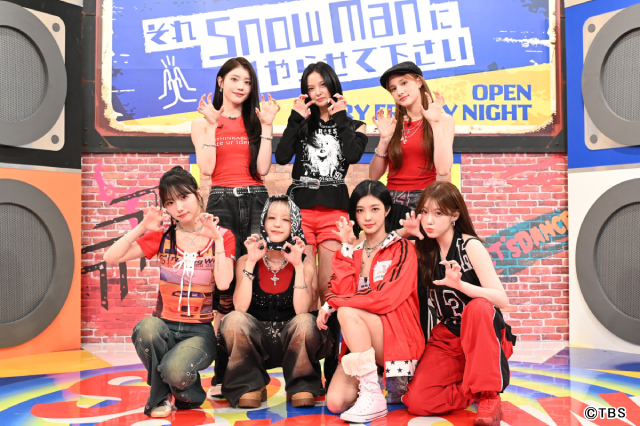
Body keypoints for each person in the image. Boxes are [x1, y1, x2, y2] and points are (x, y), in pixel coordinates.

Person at [103, 166, 235, 418]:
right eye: (170, 202)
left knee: (175, 371)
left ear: (198, 194)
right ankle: (163, 395)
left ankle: (189, 394)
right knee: (146, 328)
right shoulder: (163, 236)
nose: (179, 207)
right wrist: (143, 226)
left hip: (199, 331)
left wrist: (217, 240)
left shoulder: (223, 236)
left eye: (184, 197)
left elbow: (224, 283)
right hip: (164, 325)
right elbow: (110, 257)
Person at [190, 57, 280, 396]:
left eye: (247, 81)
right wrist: (213, 125)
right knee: (222, 287)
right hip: (221, 201)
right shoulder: (202, 122)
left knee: (252, 278)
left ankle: (250, 367)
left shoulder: (255, 121)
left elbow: (263, 170)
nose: (241, 86)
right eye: (235, 79)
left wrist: (268, 127)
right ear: (220, 81)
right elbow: (207, 168)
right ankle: (223, 370)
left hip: (256, 199)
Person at [275, 62, 367, 387]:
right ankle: (307, 373)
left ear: (332, 85)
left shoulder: (353, 125)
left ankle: (334, 367)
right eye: (310, 88)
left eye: (321, 85)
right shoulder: (301, 123)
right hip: (300, 209)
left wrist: (340, 116)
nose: (317, 92)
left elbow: (353, 155)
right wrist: (294, 118)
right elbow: (281, 156)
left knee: (332, 290)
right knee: (307, 287)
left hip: (334, 212)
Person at [398, 181, 516, 426]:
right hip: (450, 335)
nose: (429, 220)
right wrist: (404, 234)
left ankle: (489, 395)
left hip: (483, 334)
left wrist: (461, 285)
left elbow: (501, 299)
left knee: (478, 306)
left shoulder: (470, 246)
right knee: (418, 401)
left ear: (454, 215)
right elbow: (376, 252)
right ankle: (473, 388)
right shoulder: (422, 249)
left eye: (438, 213)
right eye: (424, 212)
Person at [317, 180, 425, 423]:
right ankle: (373, 384)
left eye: (375, 209)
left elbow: (386, 298)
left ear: (387, 210)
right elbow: (339, 289)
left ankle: (375, 395)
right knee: (335, 402)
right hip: (363, 343)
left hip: (396, 336)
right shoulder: (352, 251)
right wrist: (346, 247)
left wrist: (333, 304)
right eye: (360, 210)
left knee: (346, 311)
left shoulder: (402, 248)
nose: (367, 217)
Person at [217, 195, 333, 409]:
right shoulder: (246, 259)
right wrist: (251, 262)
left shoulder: (305, 264)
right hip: (255, 344)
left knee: (306, 322)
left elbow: (301, 311)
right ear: (263, 221)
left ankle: (300, 384)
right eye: (271, 218)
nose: (277, 224)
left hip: (293, 345)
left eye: (286, 219)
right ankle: (250, 385)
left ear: (294, 224)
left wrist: (298, 266)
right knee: (233, 320)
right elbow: (240, 308)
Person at [370, 60, 455, 342]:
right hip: (392, 204)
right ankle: (394, 346)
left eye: (404, 83)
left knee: (422, 279)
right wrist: (384, 139)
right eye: (393, 88)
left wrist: (434, 123)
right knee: (390, 277)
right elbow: (374, 176)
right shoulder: (394, 125)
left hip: (423, 205)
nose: (399, 91)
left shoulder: (441, 119)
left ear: (419, 81)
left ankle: (423, 345)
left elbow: (443, 169)